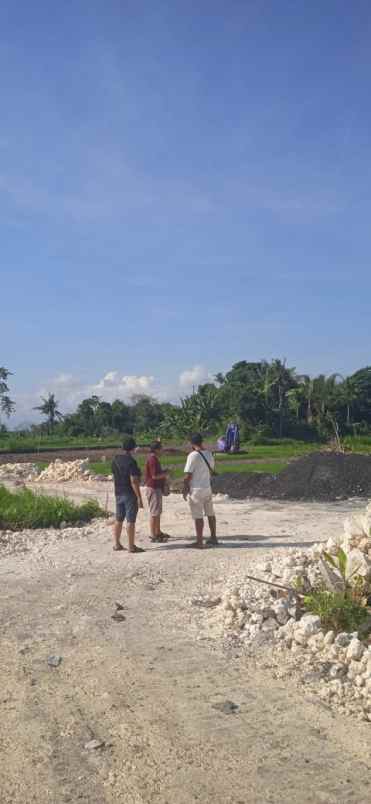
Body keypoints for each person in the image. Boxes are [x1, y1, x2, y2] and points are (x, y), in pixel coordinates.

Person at [183, 433, 218, 549]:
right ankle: (213, 537)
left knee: (198, 516)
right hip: (207, 487)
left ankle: (199, 541)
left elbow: (188, 474)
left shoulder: (192, 455)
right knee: (210, 513)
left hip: (196, 489)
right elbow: (212, 470)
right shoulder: (209, 454)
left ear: (192, 444)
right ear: (201, 442)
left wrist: (185, 488)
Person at [111, 437, 145, 554]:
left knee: (119, 519)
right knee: (130, 520)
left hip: (118, 492)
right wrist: (139, 497)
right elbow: (134, 481)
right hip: (129, 493)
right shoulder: (131, 462)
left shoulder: (115, 459)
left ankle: (116, 543)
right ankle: (131, 546)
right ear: (134, 448)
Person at [144, 440, 170, 543]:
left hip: (156, 488)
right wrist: (166, 474)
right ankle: (153, 534)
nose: (162, 450)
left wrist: (164, 472)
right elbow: (154, 476)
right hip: (153, 488)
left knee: (157, 512)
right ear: (156, 449)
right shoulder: (153, 459)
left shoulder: (154, 459)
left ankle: (158, 532)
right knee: (154, 512)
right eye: (161, 448)